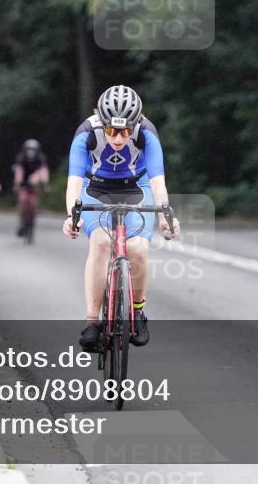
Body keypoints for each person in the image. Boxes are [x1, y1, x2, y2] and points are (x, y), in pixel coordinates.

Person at [62, 85, 180, 352]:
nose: (117, 138)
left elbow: (158, 180)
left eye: (125, 131)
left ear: (135, 124)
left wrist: (165, 215)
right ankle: (93, 321)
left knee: (138, 248)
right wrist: (73, 216)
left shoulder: (147, 132)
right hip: (96, 189)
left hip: (136, 188)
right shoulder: (86, 133)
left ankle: (137, 312)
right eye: (111, 130)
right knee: (101, 243)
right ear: (101, 123)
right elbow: (74, 183)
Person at [13, 139, 49, 237]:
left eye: (33, 150)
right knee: (22, 199)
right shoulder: (21, 157)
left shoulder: (41, 158)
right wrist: (17, 183)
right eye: (29, 149)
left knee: (37, 184)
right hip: (23, 182)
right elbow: (18, 172)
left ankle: (37, 204)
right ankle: (21, 221)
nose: (31, 152)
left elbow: (44, 171)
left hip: (35, 183)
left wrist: (45, 183)